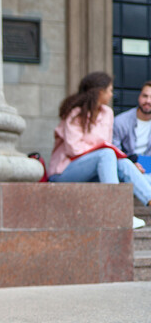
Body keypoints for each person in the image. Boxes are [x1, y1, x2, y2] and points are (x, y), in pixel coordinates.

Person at [49, 72, 151, 228]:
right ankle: (119, 214)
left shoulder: (107, 113)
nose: (112, 94)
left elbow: (107, 146)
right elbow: (73, 149)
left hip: (94, 170)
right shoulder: (75, 113)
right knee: (107, 153)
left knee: (122, 163)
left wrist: (120, 159)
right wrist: (101, 149)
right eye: (109, 90)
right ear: (99, 92)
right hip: (65, 171)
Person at [113, 81, 151, 163]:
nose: (148, 101)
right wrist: (132, 164)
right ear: (139, 96)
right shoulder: (120, 121)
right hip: (126, 165)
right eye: (145, 96)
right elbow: (115, 153)